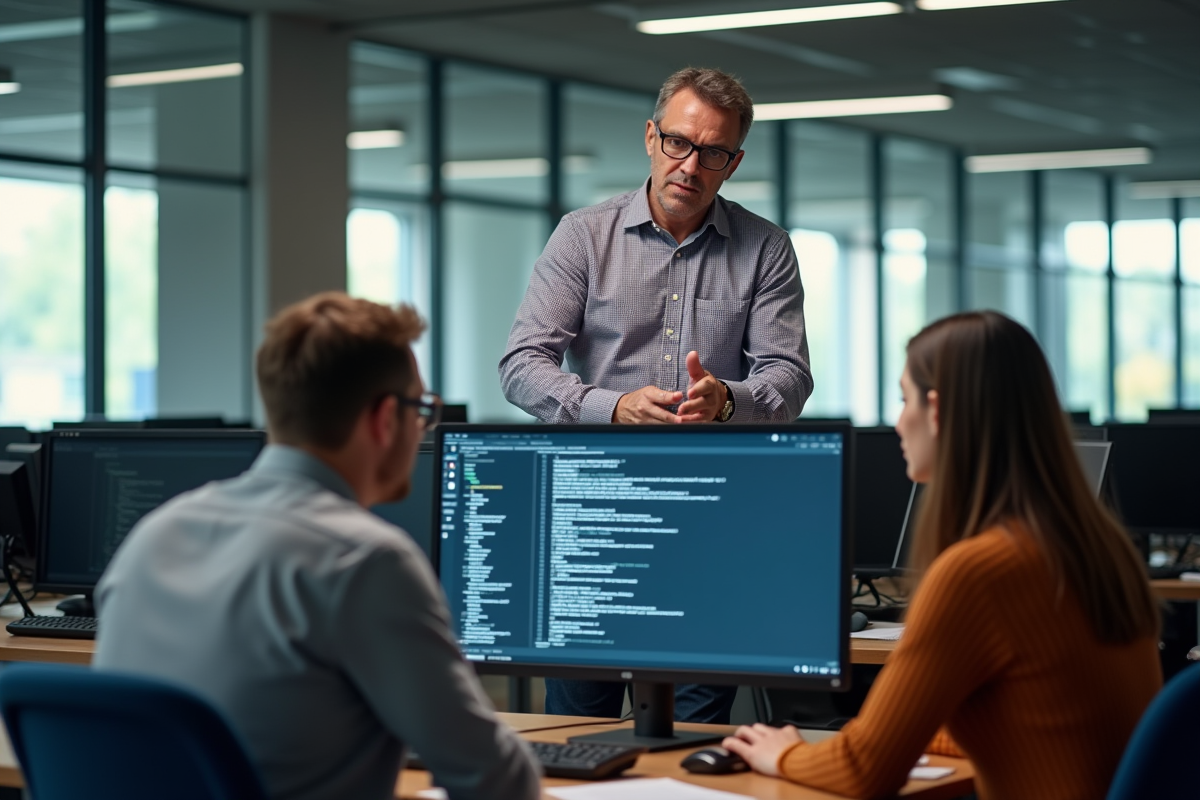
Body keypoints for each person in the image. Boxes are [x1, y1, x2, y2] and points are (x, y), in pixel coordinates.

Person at [95, 293, 540, 800]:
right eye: (421, 409)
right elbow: (495, 782)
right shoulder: (363, 560)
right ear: (384, 419)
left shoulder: (155, 533)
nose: (424, 426)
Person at [724, 310, 1162, 800]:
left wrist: (781, 752)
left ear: (936, 411)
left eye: (904, 398)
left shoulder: (978, 572)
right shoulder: (1094, 547)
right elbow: (1027, 712)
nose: (897, 420)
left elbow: (862, 773)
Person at [499, 66, 812, 725]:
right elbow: (522, 364)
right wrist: (610, 407)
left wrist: (725, 402)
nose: (691, 165)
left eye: (713, 152)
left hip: (710, 521)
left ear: (734, 162)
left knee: (693, 730)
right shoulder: (584, 235)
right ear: (651, 136)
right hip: (592, 521)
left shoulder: (766, 250)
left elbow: (788, 378)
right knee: (576, 728)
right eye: (678, 143)